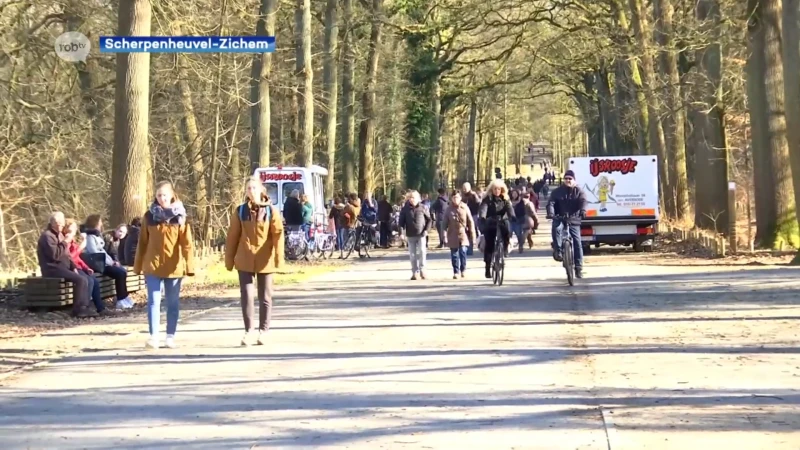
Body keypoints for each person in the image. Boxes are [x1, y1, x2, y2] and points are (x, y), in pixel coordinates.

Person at [134, 181, 195, 349]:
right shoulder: (148, 216)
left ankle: (170, 335)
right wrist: (138, 266)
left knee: (172, 302)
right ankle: (153, 336)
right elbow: (143, 242)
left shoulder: (180, 217)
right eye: (159, 195)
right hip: (152, 265)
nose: (162, 199)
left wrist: (189, 267)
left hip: (173, 266)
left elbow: (187, 244)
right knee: (153, 301)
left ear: (171, 196)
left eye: (165, 195)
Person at [225, 177, 284, 346]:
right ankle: (248, 330)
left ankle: (263, 331)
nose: (251, 191)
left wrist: (279, 258)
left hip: (265, 259)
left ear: (261, 190)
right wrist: (229, 259)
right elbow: (232, 237)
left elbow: (278, 235)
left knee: (265, 296)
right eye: (248, 188)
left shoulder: (271, 211)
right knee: (247, 295)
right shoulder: (240, 211)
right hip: (245, 258)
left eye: (254, 188)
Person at [37, 212, 96, 318]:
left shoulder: (59, 234)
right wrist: (66, 241)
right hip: (52, 268)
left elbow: (67, 255)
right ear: (54, 223)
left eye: (62, 223)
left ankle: (84, 307)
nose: (61, 226)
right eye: (59, 223)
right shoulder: (47, 236)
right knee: (80, 280)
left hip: (62, 266)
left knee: (85, 278)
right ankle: (77, 310)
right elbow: (55, 255)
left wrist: (73, 267)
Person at [82, 214, 133, 309]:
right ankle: (120, 299)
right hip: (97, 264)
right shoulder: (90, 237)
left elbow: (104, 252)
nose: (101, 224)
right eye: (100, 222)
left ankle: (124, 297)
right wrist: (111, 263)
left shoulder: (96, 235)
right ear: (95, 223)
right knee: (120, 273)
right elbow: (96, 253)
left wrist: (113, 262)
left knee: (122, 271)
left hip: (103, 262)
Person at [65, 219, 112, 316]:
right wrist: (80, 247)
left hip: (78, 266)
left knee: (94, 280)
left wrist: (86, 268)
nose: (74, 229)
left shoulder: (72, 240)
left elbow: (77, 258)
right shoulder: (66, 240)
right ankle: (84, 307)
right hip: (70, 267)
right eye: (72, 227)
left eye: (74, 227)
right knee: (89, 281)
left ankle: (100, 308)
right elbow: (70, 257)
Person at [546, 169, 588, 278]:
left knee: (577, 242)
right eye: (566, 179)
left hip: (574, 219)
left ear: (574, 180)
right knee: (557, 229)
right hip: (560, 217)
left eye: (570, 179)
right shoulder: (557, 192)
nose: (568, 180)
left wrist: (583, 211)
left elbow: (583, 201)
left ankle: (578, 268)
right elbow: (551, 203)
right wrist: (551, 213)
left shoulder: (579, 191)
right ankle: (558, 250)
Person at [478, 179, 515, 279]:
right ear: (492, 189)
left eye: (499, 189)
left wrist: (512, 215)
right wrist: (483, 216)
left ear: (502, 189)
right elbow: (483, 208)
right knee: (489, 244)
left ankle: (505, 248)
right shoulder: (488, 199)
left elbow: (509, 208)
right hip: (491, 222)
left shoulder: (505, 199)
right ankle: (487, 268)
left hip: (502, 220)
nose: (497, 191)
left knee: (507, 229)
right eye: (495, 189)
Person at [398, 190, 432, 280]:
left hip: (421, 234)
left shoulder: (423, 207)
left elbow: (429, 220)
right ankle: (415, 272)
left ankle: (422, 270)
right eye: (410, 198)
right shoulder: (405, 209)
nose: (411, 199)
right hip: (410, 235)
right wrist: (401, 233)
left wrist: (426, 230)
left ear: (418, 199)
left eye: (413, 197)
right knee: (412, 255)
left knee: (422, 252)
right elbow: (401, 222)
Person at [444, 190, 476, 279]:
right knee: (454, 254)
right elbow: (444, 223)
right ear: (451, 199)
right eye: (454, 198)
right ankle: (456, 271)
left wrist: (473, 236)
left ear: (460, 198)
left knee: (463, 252)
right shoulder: (448, 209)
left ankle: (463, 269)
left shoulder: (465, 207)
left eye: (457, 197)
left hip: (463, 233)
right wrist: (444, 235)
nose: (455, 199)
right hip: (452, 234)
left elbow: (470, 221)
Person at [461, 182, 481, 255]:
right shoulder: (463, 196)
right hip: (465, 215)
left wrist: (476, 213)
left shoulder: (473, 195)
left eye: (465, 188)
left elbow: (479, 203)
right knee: (467, 231)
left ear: (469, 188)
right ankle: (469, 248)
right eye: (463, 188)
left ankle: (472, 247)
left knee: (472, 231)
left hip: (473, 215)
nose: (464, 189)